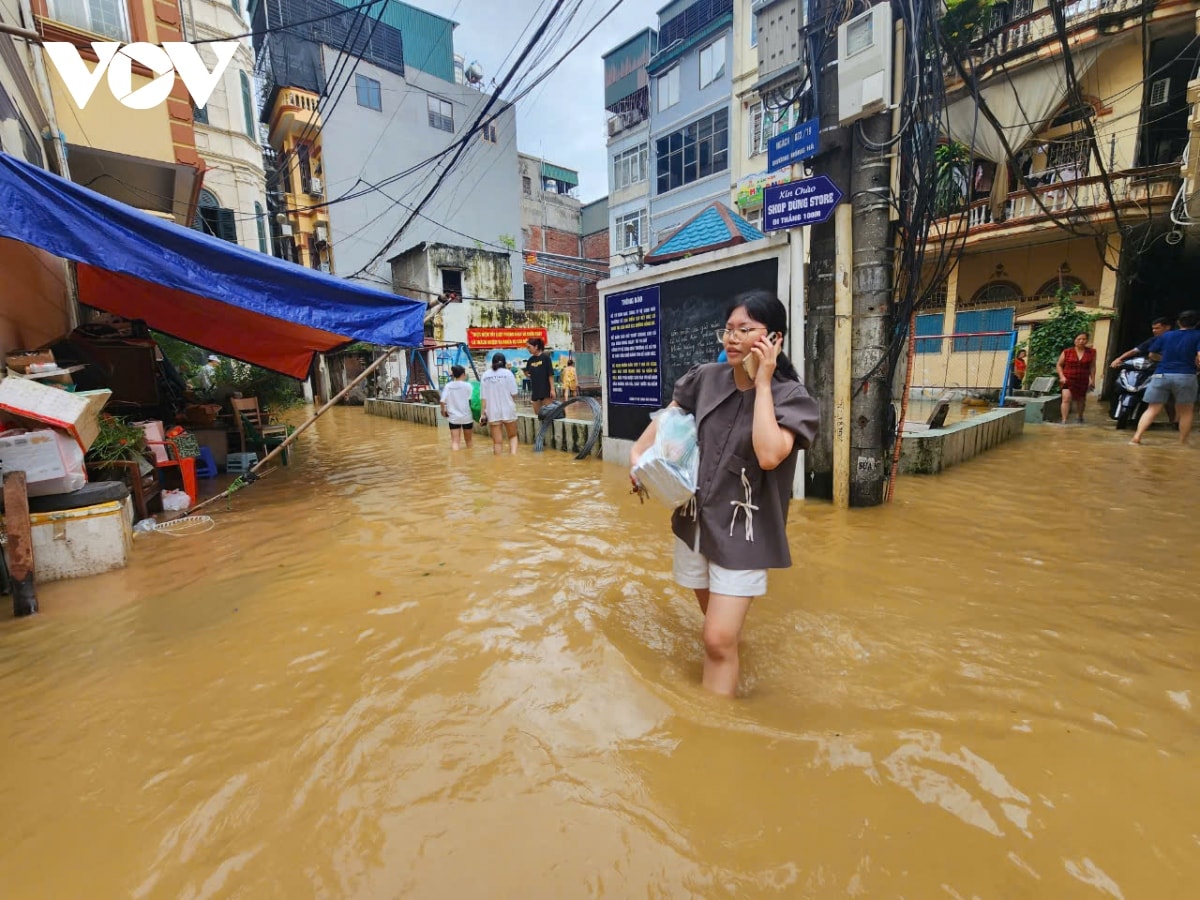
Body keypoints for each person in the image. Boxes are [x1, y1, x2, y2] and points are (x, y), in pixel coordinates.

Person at [629, 290, 819, 698]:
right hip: (697, 520)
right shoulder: (706, 378)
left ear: (775, 339)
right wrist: (638, 456)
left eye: (745, 330)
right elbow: (671, 417)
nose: (732, 339)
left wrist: (763, 384)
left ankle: (716, 723)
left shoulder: (793, 399)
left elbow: (769, 456)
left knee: (714, 639)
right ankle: (731, 657)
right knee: (717, 628)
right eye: (728, 330)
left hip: (743, 531)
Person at [1129, 309, 1200, 446]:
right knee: (1186, 411)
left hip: (1161, 375)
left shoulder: (1167, 336)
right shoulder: (1198, 335)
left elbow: (1151, 354)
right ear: (1197, 323)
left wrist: (1165, 360)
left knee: (1152, 409)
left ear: (1179, 323)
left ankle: (1136, 438)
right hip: (1185, 375)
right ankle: (1182, 442)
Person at [1110, 317, 1176, 424]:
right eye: (1153, 328)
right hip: (1155, 371)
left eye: (1157, 328)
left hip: (1171, 372)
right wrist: (1119, 359)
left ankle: (1174, 423)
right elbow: (1136, 350)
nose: (1154, 331)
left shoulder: (1176, 340)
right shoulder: (1154, 340)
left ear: (1167, 327)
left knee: (1168, 398)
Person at [479, 352, 519, 455]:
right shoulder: (508, 374)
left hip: (492, 411)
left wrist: (483, 414)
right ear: (504, 363)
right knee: (513, 436)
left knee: (497, 442)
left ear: (492, 362)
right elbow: (514, 394)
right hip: (508, 409)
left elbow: (483, 398)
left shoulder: (486, 375)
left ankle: (498, 465)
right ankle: (513, 461)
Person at [1056, 331, 1096, 424]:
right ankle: (1064, 420)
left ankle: (1079, 417)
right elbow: (1059, 365)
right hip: (1068, 378)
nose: (1081, 341)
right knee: (1066, 399)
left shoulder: (1092, 352)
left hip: (1083, 379)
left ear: (1087, 340)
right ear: (1074, 340)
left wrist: (1092, 379)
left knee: (1081, 399)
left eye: (1084, 339)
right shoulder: (1067, 352)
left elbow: (1092, 367)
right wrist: (1061, 376)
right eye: (1079, 339)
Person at [439, 365, 474, 450]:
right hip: (467, 417)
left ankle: (455, 461)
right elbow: (472, 401)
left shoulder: (448, 386)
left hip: (453, 417)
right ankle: (470, 460)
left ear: (454, 375)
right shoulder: (468, 386)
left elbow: (442, 401)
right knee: (469, 441)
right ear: (463, 374)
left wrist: (443, 411)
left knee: (455, 441)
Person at [524, 337, 556, 415]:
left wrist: (552, 389)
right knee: (537, 414)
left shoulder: (546, 358)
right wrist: (525, 373)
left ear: (536, 346)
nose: (528, 349)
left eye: (529, 347)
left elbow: (550, 374)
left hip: (545, 390)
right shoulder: (530, 360)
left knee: (548, 414)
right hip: (535, 391)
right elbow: (529, 374)